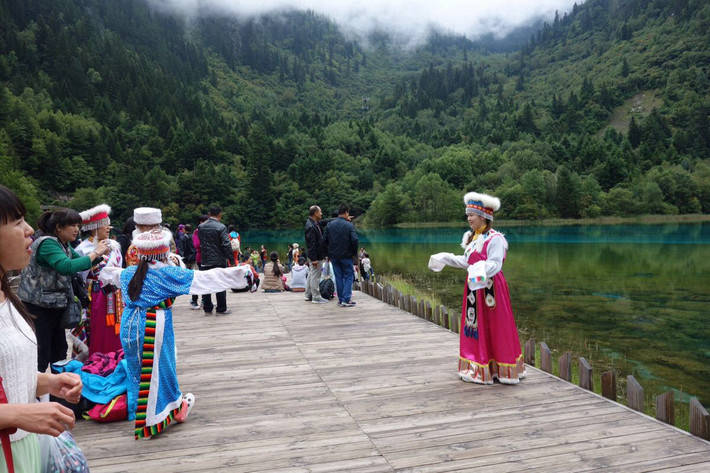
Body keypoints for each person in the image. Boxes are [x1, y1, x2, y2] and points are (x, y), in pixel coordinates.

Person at [98, 229, 250, 439]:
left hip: (129, 325)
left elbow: (108, 275)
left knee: (138, 370)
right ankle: (152, 420)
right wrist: (242, 273)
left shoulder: (128, 272)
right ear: (164, 252)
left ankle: (150, 410)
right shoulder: (168, 274)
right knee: (158, 370)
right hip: (153, 324)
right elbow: (205, 278)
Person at [0, 185, 84, 473]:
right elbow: (67, 266)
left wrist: (47, 384)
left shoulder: (6, 296)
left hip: (24, 446)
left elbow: (5, 375)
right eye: (17, 221)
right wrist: (17, 414)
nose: (28, 231)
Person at [428, 192, 525, 385]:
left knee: (495, 325)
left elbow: (495, 264)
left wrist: (479, 269)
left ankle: (499, 367)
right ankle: (480, 365)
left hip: (491, 289)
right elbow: (467, 261)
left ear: (483, 216)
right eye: (468, 215)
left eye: (471, 215)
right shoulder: (473, 238)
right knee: (475, 326)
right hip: (474, 288)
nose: (469, 219)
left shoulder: (495, 239)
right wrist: (446, 258)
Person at [18, 208, 110, 371]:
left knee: (59, 351)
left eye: (78, 225)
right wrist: (95, 252)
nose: (76, 229)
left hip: (54, 305)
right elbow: (66, 266)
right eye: (72, 225)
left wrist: (100, 256)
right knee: (42, 351)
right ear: (59, 227)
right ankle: (38, 391)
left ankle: (58, 390)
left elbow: (79, 261)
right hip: (38, 307)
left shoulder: (63, 244)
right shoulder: (47, 243)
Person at [75, 204, 124, 355]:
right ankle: (98, 359)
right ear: (94, 227)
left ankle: (117, 358)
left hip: (116, 295)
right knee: (97, 329)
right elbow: (79, 277)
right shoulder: (83, 249)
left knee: (116, 329)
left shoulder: (114, 246)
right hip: (94, 296)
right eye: (105, 225)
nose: (108, 228)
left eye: (109, 225)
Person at [197, 206, 234, 314]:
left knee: (206, 284)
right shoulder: (221, 227)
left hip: (205, 259)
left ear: (209, 214)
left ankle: (207, 308)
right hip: (218, 260)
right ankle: (221, 308)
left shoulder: (201, 227)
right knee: (220, 283)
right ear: (220, 215)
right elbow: (226, 244)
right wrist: (231, 259)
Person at [323, 204, 359, 307]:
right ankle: (346, 299)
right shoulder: (349, 225)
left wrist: (327, 253)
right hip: (346, 256)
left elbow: (324, 240)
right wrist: (353, 252)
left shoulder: (330, 225)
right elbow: (355, 240)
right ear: (346, 212)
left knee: (338, 276)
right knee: (349, 276)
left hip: (334, 256)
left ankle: (341, 299)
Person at [304, 205, 328, 304]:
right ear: (315, 213)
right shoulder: (310, 226)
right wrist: (314, 259)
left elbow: (325, 221)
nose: (321, 213)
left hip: (315, 255)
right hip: (315, 256)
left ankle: (308, 294)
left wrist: (338, 219)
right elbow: (311, 244)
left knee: (311, 274)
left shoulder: (314, 223)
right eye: (320, 211)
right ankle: (316, 297)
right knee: (315, 276)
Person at [190, 215, 207, 310]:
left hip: (208, 258)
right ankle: (194, 299)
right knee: (198, 280)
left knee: (206, 280)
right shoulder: (197, 232)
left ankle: (205, 300)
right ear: (200, 222)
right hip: (200, 259)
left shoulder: (208, 230)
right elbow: (197, 245)